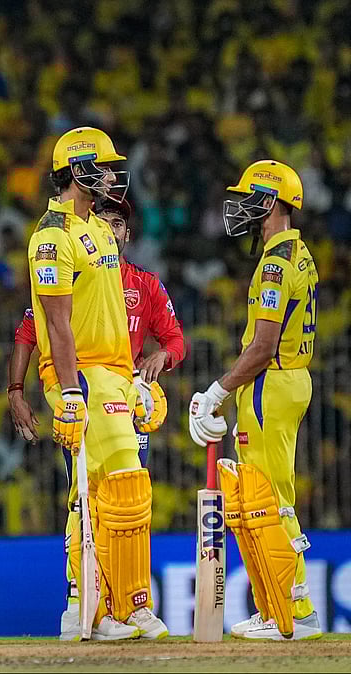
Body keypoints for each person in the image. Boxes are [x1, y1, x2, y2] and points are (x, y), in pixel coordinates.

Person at [8, 197, 185, 639]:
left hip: (128, 398)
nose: (109, 228)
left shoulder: (145, 284)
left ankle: (123, 605)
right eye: (103, 220)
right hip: (86, 390)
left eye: (118, 222)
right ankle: (82, 602)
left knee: (126, 502)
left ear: (127, 233)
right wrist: (16, 390)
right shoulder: (75, 270)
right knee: (85, 496)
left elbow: (175, 340)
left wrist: (161, 359)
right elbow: (30, 331)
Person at [26, 127, 153, 640]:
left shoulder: (100, 227)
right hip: (83, 375)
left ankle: (90, 608)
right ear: (76, 171)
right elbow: (56, 323)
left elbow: (110, 311)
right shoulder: (50, 237)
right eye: (101, 168)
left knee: (95, 493)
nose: (109, 178)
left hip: (115, 374)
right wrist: (71, 391)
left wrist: (135, 379)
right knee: (124, 481)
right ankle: (126, 607)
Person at [188, 160, 322, 641]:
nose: (241, 208)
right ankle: (280, 607)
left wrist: (218, 390)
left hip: (272, 383)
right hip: (288, 381)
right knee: (270, 495)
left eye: (249, 198)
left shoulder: (274, 264)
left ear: (270, 202)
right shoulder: (298, 253)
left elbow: (263, 347)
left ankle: (294, 611)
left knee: (270, 499)